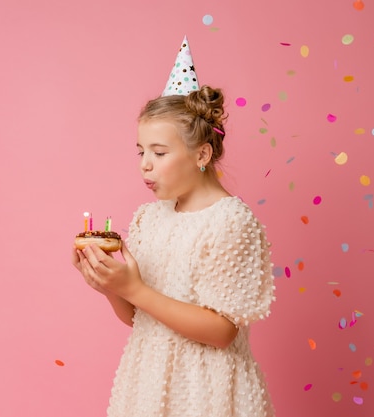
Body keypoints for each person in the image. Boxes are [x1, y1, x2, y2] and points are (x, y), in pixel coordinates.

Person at [71, 38, 276, 417]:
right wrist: (110, 286)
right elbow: (139, 317)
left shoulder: (230, 221)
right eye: (141, 151)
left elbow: (221, 332)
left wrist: (134, 288)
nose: (145, 164)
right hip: (148, 384)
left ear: (202, 154)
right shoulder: (150, 218)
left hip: (205, 391)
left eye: (159, 152)